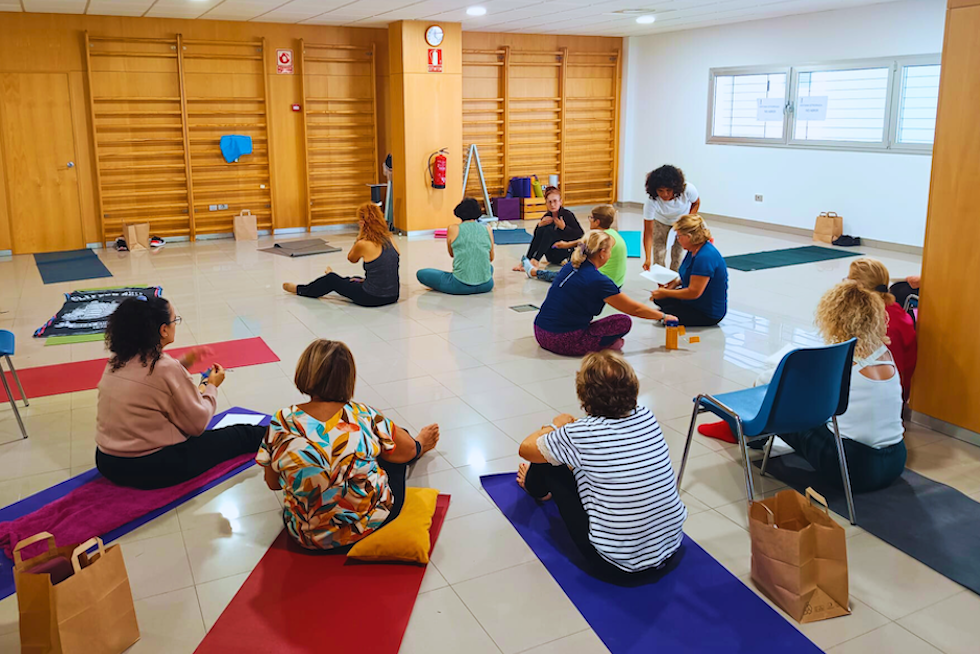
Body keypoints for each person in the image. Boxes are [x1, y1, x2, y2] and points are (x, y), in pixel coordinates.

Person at [516, 351, 687, 580]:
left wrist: (555, 425)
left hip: (617, 565)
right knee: (572, 457)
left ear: (583, 394)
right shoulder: (647, 416)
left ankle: (534, 487)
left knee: (549, 461)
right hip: (669, 547)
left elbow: (526, 448)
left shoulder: (580, 434)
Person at [258, 340, 440, 551]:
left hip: (305, 536)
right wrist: (415, 446)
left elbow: (273, 484)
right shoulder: (363, 415)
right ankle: (420, 443)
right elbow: (405, 450)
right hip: (367, 525)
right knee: (397, 442)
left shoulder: (281, 420)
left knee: (370, 446)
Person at [94, 297, 265, 490]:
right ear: (163, 330)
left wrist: (185, 362)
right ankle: (286, 435)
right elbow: (198, 424)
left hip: (106, 460)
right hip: (146, 467)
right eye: (175, 321)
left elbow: (153, 384)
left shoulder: (117, 360)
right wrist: (212, 387)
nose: (176, 325)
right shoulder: (164, 368)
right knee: (242, 435)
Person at [771, 281, 908, 493]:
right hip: (896, 459)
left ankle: (745, 434)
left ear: (834, 319)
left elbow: (804, 403)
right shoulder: (884, 352)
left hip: (854, 466)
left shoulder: (837, 361)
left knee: (787, 413)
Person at [534, 231, 676, 357]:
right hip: (563, 340)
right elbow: (633, 309)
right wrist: (663, 316)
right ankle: (603, 347)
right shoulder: (599, 281)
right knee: (623, 321)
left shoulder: (569, 266)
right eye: (610, 251)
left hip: (540, 333)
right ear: (602, 253)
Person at [283, 203, 400, 307]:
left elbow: (351, 258)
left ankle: (299, 289)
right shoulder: (390, 238)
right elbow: (389, 262)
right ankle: (338, 279)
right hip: (393, 296)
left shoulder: (364, 244)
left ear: (362, 223)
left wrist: (360, 235)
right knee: (354, 279)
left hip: (371, 297)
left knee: (331, 279)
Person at [848, 258, 917, 402]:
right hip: (894, 389)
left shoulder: (880, 324)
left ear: (857, 287)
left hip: (885, 395)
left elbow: (891, 374)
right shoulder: (894, 310)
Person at [649, 214, 727, 327]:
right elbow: (688, 274)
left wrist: (665, 292)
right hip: (693, 302)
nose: (678, 240)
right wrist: (673, 285)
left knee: (666, 314)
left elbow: (693, 292)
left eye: (679, 236)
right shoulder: (693, 250)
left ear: (689, 237)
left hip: (707, 312)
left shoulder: (705, 257)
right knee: (660, 299)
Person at [525, 204, 627, 288]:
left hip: (603, 282)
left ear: (597, 222)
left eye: (591, 218)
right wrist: (567, 245)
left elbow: (582, 255)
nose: (589, 220)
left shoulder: (601, 239)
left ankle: (535, 272)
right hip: (617, 281)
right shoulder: (611, 233)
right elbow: (584, 241)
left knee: (566, 273)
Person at [416, 197, 495, 295]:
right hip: (487, 284)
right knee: (489, 267)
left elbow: (452, 254)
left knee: (421, 273)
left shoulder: (453, 228)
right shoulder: (487, 229)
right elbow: (491, 258)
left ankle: (465, 278)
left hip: (460, 285)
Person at [642, 165, 700, 272]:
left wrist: (688, 220)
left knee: (678, 254)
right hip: (661, 222)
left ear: (675, 188)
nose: (665, 194)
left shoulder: (688, 189)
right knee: (659, 253)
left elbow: (696, 203)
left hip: (681, 222)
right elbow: (648, 232)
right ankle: (661, 282)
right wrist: (647, 258)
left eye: (669, 190)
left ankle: (675, 281)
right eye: (660, 190)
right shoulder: (651, 201)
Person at [513, 186, 583, 272]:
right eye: (549, 202)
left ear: (560, 202)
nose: (552, 205)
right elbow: (537, 237)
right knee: (542, 229)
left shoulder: (567, 215)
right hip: (551, 255)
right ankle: (527, 260)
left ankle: (535, 260)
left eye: (555, 201)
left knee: (550, 231)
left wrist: (564, 228)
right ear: (546, 203)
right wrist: (539, 225)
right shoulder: (547, 216)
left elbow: (580, 235)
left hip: (566, 253)